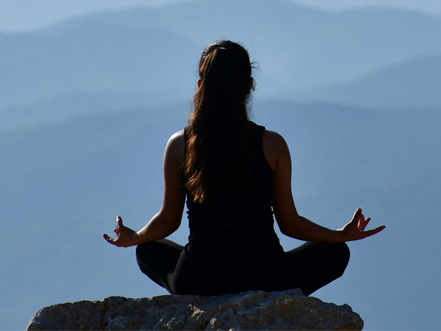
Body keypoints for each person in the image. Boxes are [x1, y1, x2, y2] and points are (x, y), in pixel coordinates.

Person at [103, 40, 385, 296]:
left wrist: (135, 236)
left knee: (146, 250)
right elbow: (290, 224)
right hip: (265, 275)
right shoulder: (272, 144)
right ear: (249, 86)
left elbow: (168, 222)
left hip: (198, 278)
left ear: (201, 86)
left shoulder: (179, 145)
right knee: (337, 254)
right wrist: (339, 235)